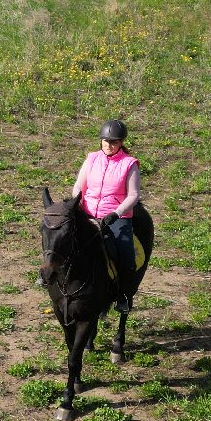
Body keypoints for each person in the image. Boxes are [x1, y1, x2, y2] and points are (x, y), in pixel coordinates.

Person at [72, 119, 142, 313]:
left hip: (115, 218)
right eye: (106, 141)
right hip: (88, 214)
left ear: (121, 143)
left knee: (127, 256)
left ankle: (124, 296)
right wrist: (76, 203)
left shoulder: (130, 164)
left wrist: (116, 214)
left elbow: (134, 195)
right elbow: (79, 186)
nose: (109, 145)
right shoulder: (92, 158)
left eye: (114, 142)